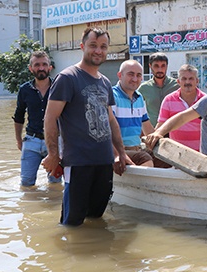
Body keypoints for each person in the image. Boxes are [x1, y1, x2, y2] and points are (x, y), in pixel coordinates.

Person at [41, 27, 131, 226]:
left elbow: (110, 120)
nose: (98, 51)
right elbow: (50, 118)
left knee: (96, 218)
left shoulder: (105, 82)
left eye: (103, 47)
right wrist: (53, 154)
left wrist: (121, 153)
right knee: (72, 222)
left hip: (104, 162)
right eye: (93, 46)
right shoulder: (67, 78)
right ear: (82, 47)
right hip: (78, 163)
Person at [13, 50, 62, 187]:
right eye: (37, 65)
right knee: (26, 183)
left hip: (54, 141)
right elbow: (19, 116)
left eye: (44, 64)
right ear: (31, 68)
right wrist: (18, 140)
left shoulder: (58, 88)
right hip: (31, 140)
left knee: (55, 183)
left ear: (50, 67)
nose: (41, 68)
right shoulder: (24, 90)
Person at [111, 59, 154, 167]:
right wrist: (118, 154)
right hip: (119, 151)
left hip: (137, 148)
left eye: (138, 75)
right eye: (131, 74)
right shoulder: (111, 96)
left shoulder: (139, 98)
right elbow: (106, 130)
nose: (135, 79)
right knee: (145, 159)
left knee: (166, 160)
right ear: (120, 75)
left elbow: (148, 128)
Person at [156, 64, 206, 151]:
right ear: (178, 81)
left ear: (197, 81)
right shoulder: (168, 100)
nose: (187, 82)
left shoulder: (205, 100)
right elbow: (161, 125)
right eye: (184, 79)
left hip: (202, 154)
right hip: (176, 155)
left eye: (191, 79)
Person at [138, 52, 180, 126]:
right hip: (153, 131)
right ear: (150, 66)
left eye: (163, 66)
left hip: (174, 130)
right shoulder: (144, 88)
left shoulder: (177, 85)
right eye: (156, 66)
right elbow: (134, 105)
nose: (160, 69)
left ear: (167, 66)